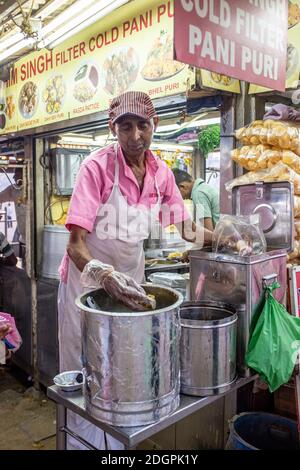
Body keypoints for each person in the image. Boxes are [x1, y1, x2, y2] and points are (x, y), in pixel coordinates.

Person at [57, 91, 213, 450]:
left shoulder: (161, 175)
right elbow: (75, 244)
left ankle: (115, 449)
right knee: (86, 374)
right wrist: (104, 276)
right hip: (86, 288)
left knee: (123, 374)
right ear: (114, 129)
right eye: (125, 127)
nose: (135, 135)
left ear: (153, 125)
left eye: (142, 125)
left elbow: (187, 230)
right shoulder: (96, 168)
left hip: (131, 285)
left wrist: (225, 236)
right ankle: (83, 446)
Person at [0, 168, 25, 244]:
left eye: (17, 174)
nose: (14, 177)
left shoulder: (34, 188)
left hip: (34, 235)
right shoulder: (13, 189)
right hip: (22, 236)